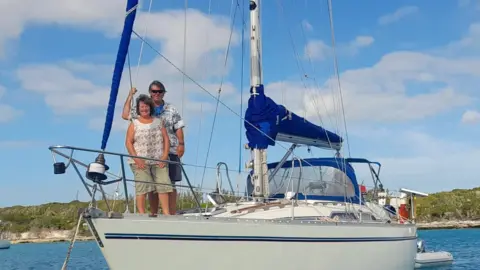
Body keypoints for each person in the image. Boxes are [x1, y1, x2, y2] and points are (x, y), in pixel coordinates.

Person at [122, 80, 185, 215]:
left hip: (170, 150)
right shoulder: (143, 106)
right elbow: (125, 115)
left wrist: (181, 144)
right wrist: (130, 95)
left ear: (163, 93)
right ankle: (154, 214)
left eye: (159, 91)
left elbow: (178, 126)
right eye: (154, 91)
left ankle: (171, 215)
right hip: (149, 155)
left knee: (170, 184)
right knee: (151, 187)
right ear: (150, 93)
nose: (157, 94)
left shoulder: (171, 108)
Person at [125, 94, 173, 215]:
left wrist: (164, 157)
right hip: (140, 161)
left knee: (163, 185)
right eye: (141, 107)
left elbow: (166, 139)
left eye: (146, 106)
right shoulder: (134, 123)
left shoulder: (158, 121)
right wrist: (137, 160)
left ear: (150, 107)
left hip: (158, 160)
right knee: (143, 186)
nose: (144, 109)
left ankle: (166, 214)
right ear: (138, 108)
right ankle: (141, 214)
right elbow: (128, 142)